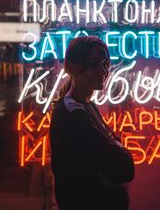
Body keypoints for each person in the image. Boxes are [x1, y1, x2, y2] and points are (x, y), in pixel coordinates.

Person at [50, 36, 135, 210]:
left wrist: (114, 148)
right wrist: (118, 147)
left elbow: (114, 161)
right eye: (93, 63)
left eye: (105, 63)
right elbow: (125, 168)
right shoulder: (74, 114)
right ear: (71, 67)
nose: (102, 70)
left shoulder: (86, 106)